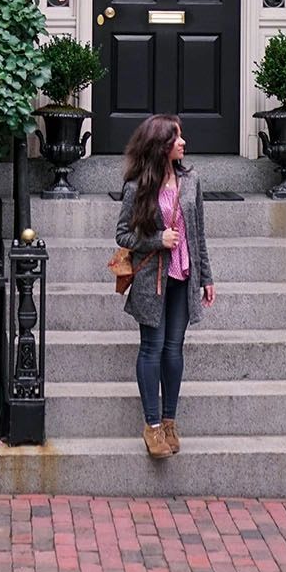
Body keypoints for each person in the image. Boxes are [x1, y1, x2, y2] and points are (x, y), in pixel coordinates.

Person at [114, 113, 215, 459]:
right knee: (151, 349)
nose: (183, 142)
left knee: (174, 350)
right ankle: (152, 425)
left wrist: (206, 277)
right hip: (151, 281)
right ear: (161, 145)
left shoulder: (192, 180)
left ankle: (170, 421)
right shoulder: (137, 185)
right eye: (176, 138)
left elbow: (198, 232)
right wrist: (158, 239)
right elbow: (123, 234)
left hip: (183, 278)